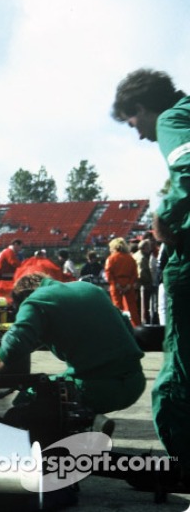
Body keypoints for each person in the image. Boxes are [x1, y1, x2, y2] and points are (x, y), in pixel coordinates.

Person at [112, 68, 190, 481]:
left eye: (133, 122)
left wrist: (165, 217)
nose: (140, 134)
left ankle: (182, 468)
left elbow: (189, 171)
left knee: (175, 380)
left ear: (142, 108)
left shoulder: (174, 119)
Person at [0, 273, 145, 418]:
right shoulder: (89, 288)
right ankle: (90, 422)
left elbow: (15, 340)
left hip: (96, 389)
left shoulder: (35, 300)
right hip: (134, 382)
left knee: (27, 398)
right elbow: (124, 324)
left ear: (22, 297)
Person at [104, 237, 140, 326]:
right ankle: (136, 327)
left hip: (116, 285)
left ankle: (118, 326)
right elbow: (134, 274)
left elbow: (108, 273)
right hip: (128, 284)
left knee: (117, 308)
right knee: (132, 309)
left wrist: (115, 284)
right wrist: (129, 284)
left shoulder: (111, 258)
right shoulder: (130, 258)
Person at [132, 238, 154, 325]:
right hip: (143, 285)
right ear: (144, 248)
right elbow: (142, 273)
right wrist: (150, 281)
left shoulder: (135, 255)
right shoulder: (142, 258)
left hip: (137, 285)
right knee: (144, 306)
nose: (150, 249)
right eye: (148, 247)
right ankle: (145, 323)